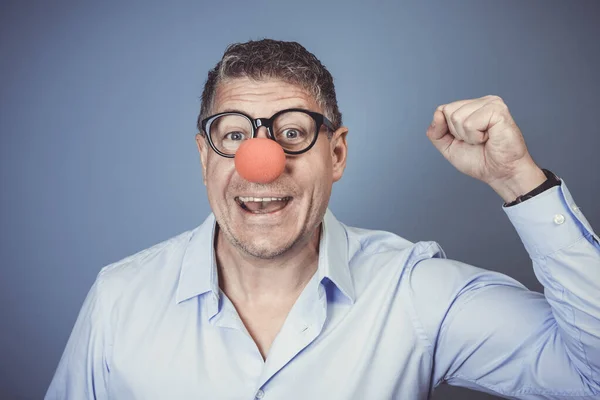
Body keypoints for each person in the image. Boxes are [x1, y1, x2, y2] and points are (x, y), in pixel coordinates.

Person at [46, 39, 600, 399]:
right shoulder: (120, 299)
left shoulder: (414, 292)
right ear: (203, 156)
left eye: (292, 133)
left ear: (336, 154)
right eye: (235, 135)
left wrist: (519, 182)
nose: (261, 167)